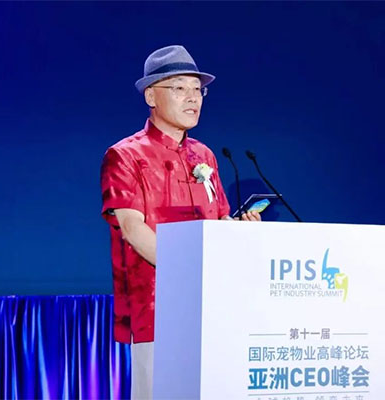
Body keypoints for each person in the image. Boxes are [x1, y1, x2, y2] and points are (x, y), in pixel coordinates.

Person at [100, 45, 260, 399]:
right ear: (150, 96)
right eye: (179, 88)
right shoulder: (124, 156)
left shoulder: (204, 155)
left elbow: (218, 220)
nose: (192, 98)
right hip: (155, 307)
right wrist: (188, 273)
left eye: (197, 89)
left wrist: (240, 232)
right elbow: (132, 229)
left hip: (212, 305)